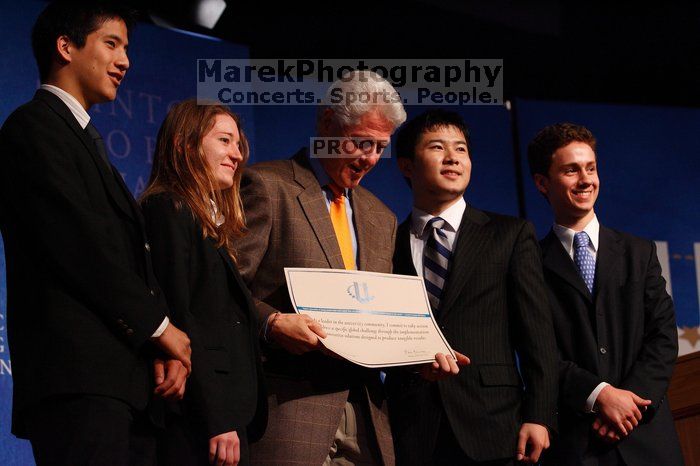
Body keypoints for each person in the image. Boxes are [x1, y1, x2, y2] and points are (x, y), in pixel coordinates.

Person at [0, 2, 192, 465]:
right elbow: (80, 245)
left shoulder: (80, 135)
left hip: (125, 386)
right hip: (79, 384)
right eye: (111, 44)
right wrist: (161, 328)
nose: (125, 60)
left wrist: (154, 344)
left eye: (126, 47)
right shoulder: (33, 127)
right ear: (65, 47)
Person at [236, 70, 408, 465]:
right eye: (361, 142)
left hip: (366, 416)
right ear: (328, 124)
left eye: (381, 146)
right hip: (290, 409)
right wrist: (271, 323)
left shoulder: (381, 217)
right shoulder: (266, 186)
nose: (370, 158)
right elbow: (224, 288)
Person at [386, 109, 559, 465]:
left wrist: (539, 415)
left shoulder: (509, 234)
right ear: (406, 166)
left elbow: (537, 335)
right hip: (411, 427)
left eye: (461, 149)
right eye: (437, 147)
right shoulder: (386, 242)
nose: (452, 158)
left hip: (495, 423)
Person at [527, 123, 684, 466]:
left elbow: (662, 337)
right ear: (542, 183)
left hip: (648, 439)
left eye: (591, 168)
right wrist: (600, 396)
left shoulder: (638, 252)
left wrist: (627, 406)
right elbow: (538, 352)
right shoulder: (530, 264)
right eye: (571, 170)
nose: (586, 180)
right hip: (579, 444)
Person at [140, 100, 267, 466]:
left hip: (225, 413)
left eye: (239, 144)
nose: (237, 154)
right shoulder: (167, 209)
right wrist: (216, 416)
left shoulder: (207, 223)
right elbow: (181, 315)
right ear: (183, 144)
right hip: (199, 418)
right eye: (225, 141)